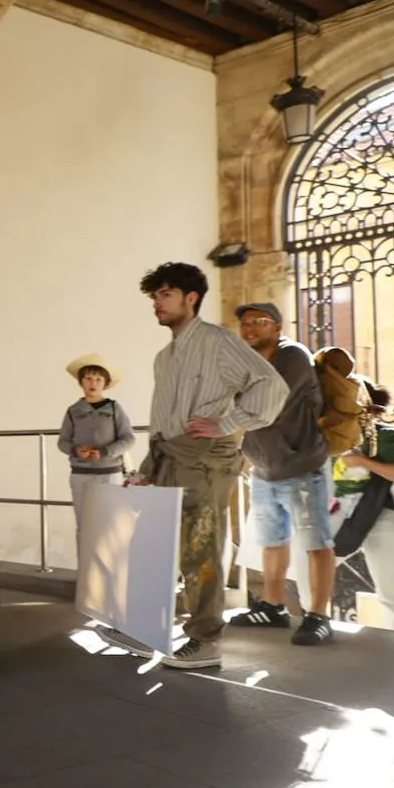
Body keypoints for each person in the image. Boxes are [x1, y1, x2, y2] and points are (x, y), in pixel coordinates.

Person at [130, 262, 287, 669]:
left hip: (206, 461)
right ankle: (145, 628)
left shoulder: (218, 342)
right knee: (159, 543)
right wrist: (148, 466)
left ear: (191, 298)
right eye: (154, 297)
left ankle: (204, 641)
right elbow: (164, 418)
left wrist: (229, 422)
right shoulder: (164, 357)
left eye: (164, 295)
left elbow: (271, 385)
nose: (156, 304)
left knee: (201, 547)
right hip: (170, 457)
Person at [230, 302, 336, 645]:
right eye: (245, 323)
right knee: (272, 541)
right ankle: (273, 606)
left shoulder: (293, 355)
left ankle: (318, 615)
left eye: (259, 322)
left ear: (277, 327)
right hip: (263, 468)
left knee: (316, 542)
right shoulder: (250, 360)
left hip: (301, 465)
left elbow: (270, 402)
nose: (250, 328)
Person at [330, 380, 394, 632]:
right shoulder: (334, 439)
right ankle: (315, 621)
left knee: (392, 593)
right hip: (344, 516)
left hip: (386, 519)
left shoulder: (385, 436)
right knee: (311, 567)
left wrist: (363, 461)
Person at [58, 354, 135, 547]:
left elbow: (128, 438)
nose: (93, 383)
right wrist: (76, 451)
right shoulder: (73, 411)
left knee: (110, 525)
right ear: (81, 382)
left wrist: (106, 451)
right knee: (84, 525)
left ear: (105, 383)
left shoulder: (114, 408)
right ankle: (85, 574)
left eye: (98, 379)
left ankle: (108, 576)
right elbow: (63, 442)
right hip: (80, 474)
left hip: (109, 474)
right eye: (88, 378)